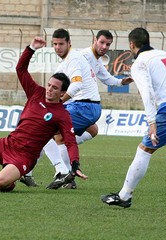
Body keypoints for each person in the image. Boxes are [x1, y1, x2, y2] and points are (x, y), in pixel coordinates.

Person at [0, 37, 87, 192]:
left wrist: (75, 164)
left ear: (62, 92)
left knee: (1, 182)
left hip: (25, 156)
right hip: (8, 143)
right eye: (49, 85)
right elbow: (20, 69)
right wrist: (31, 49)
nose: (49, 89)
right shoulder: (36, 92)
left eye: (54, 88)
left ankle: (11, 180)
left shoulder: (62, 115)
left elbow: (70, 142)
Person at [101, 27, 166, 211]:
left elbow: (146, 94)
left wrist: (151, 123)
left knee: (145, 149)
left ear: (132, 44)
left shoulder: (139, 63)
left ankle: (124, 196)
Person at [20, 29, 132, 189]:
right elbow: (66, 79)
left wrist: (121, 82)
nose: (104, 47)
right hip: (83, 105)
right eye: (102, 42)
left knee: (49, 133)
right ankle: (37, 173)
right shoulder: (84, 55)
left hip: (83, 105)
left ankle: (62, 173)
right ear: (94, 40)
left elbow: (103, 79)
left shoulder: (90, 59)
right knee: (89, 131)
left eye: (108, 44)